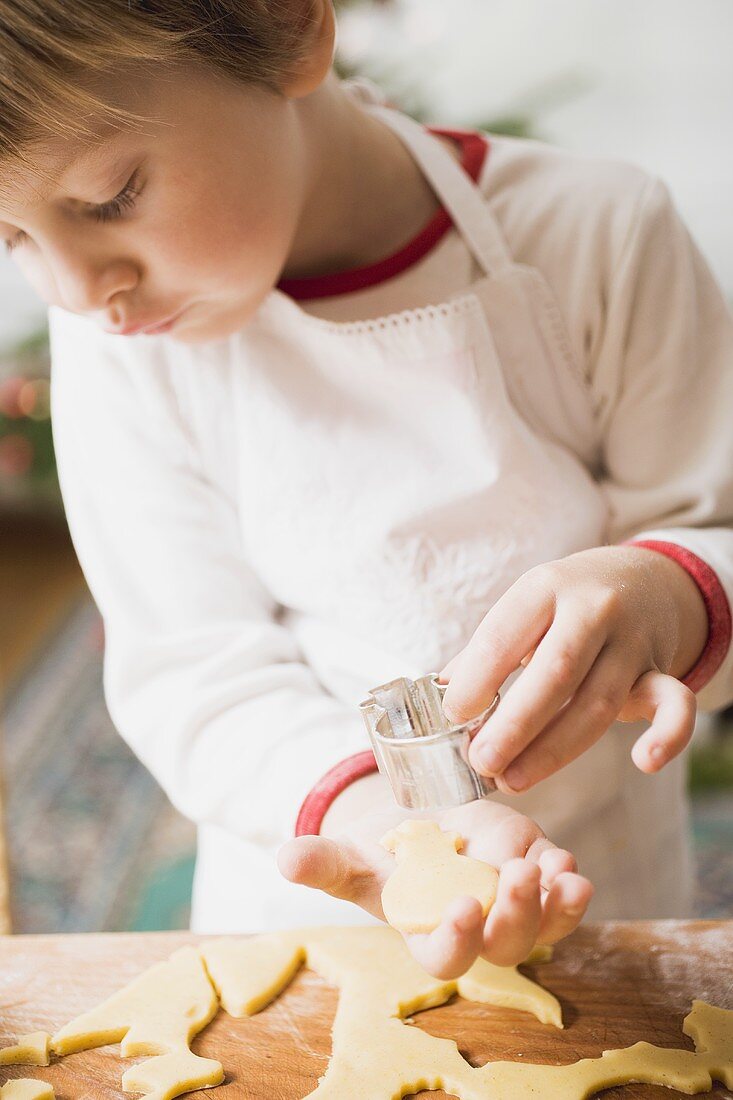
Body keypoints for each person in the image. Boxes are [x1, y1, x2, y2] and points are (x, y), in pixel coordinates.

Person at [1, 1, 731, 980]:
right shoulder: (114, 352)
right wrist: (384, 830)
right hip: (316, 903)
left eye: (111, 196)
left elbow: (709, 522)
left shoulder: (599, 235)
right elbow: (191, 667)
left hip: (598, 888)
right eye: (11, 238)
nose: (82, 291)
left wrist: (665, 592)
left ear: (289, 29)